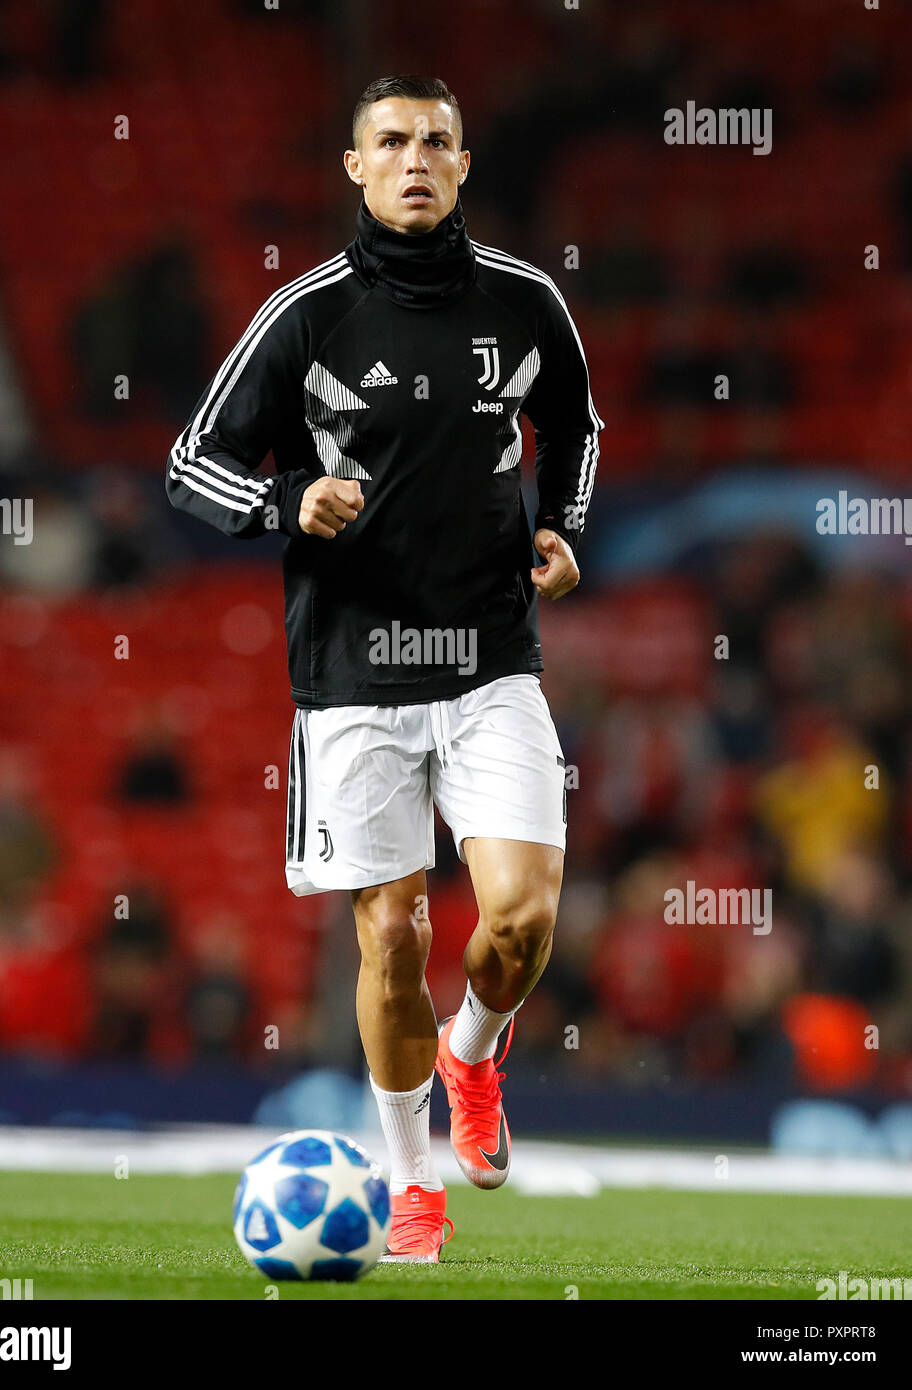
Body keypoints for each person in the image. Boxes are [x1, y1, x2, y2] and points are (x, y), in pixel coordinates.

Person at [166, 75, 603, 1263]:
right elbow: (189, 462)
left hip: (490, 663)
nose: (415, 158)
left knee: (518, 916)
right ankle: (413, 1183)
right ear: (355, 168)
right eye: (391, 142)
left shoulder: (523, 302)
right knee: (390, 939)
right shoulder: (305, 313)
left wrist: (561, 524)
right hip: (353, 680)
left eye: (436, 142)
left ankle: (472, 1053)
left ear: (463, 165)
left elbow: (574, 425)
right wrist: (280, 498)